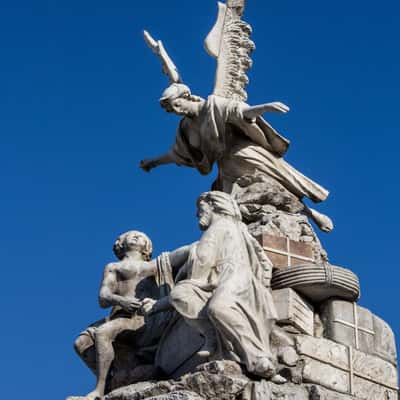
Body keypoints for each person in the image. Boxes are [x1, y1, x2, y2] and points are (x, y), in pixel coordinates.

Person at [143, 191, 285, 383]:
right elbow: (262, 260)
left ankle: (259, 359)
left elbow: (202, 260)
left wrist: (162, 300)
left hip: (233, 277)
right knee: (182, 294)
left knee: (218, 307)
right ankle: (211, 335)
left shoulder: (219, 227)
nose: (197, 214)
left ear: (214, 206)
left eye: (201, 209)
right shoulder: (238, 228)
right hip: (228, 278)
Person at [140, 83, 329, 204]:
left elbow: (239, 112)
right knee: (230, 210)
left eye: (174, 105)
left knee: (285, 185)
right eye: (170, 109)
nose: (174, 111)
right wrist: (153, 162)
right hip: (227, 168)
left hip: (246, 154)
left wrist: (265, 108)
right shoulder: (185, 128)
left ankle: (310, 214)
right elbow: (178, 154)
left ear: (186, 96)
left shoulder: (212, 105)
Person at [68, 230, 189, 400]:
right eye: (130, 235)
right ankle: (114, 377)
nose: (136, 236)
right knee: (81, 343)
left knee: (103, 333)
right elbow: (103, 297)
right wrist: (122, 301)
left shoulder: (153, 265)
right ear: (120, 243)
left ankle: (99, 390)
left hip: (143, 319)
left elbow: (179, 255)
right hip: (119, 315)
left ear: (147, 246)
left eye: (141, 236)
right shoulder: (113, 267)